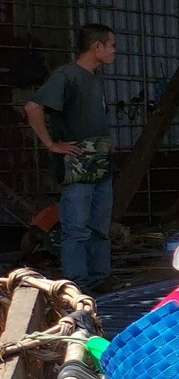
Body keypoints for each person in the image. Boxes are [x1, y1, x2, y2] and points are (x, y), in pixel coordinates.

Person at [23, 24, 116, 288]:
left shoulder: (94, 77)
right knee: (76, 229)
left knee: (100, 228)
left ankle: (101, 277)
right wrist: (51, 144)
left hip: (100, 164)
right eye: (111, 45)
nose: (113, 51)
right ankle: (77, 283)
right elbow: (33, 107)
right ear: (96, 46)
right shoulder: (66, 76)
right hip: (76, 165)